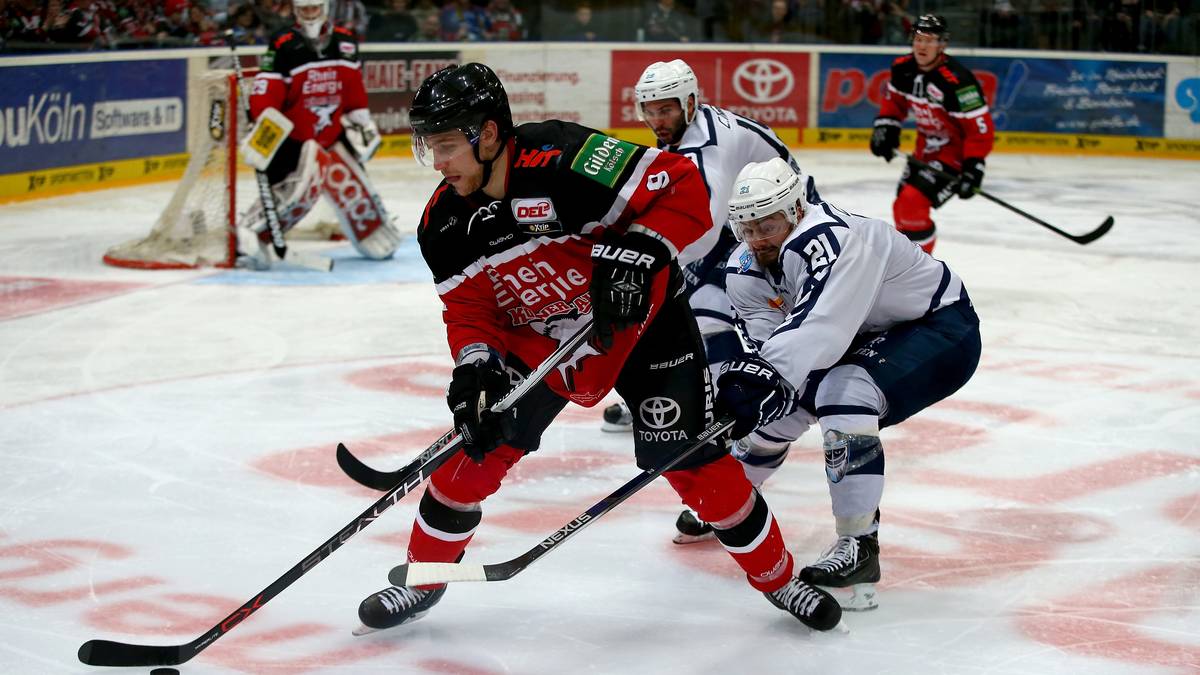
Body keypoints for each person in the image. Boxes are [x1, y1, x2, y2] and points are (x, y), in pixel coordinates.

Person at [353, 62, 843, 635]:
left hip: (644, 328)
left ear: (487, 134)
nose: (437, 164)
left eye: (445, 146)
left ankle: (780, 579)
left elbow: (681, 186)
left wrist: (641, 249)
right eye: (428, 148)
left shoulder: (563, 155)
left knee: (695, 466)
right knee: (470, 460)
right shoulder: (443, 224)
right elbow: (469, 310)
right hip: (543, 343)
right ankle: (424, 576)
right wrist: (476, 370)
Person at [711, 156, 980, 611]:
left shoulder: (830, 238)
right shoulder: (743, 268)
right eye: (748, 228)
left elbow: (823, 329)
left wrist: (757, 381)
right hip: (864, 334)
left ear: (796, 209)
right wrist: (751, 388)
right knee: (781, 406)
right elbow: (769, 342)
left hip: (940, 328)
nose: (757, 239)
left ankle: (860, 545)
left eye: (768, 224)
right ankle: (735, 500)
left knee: (843, 390)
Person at [602, 59, 809, 545]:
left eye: (667, 107)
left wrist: (643, 256)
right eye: (650, 108)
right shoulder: (689, 129)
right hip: (747, 230)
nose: (658, 118)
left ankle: (735, 441)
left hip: (775, 233)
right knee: (689, 317)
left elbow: (703, 223)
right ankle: (685, 400)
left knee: (709, 323)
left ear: (690, 102)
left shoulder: (705, 145)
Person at [239, 0, 402, 267]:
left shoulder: (345, 41)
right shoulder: (283, 42)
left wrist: (361, 121)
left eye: (314, 8)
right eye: (304, 10)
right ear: (295, 10)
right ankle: (251, 233)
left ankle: (370, 223)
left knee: (359, 200)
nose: (309, 15)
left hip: (332, 136)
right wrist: (263, 131)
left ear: (324, 8)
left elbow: (352, 87)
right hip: (296, 143)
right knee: (295, 196)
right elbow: (266, 91)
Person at [870, 14, 994, 254]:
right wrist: (886, 128)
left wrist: (974, 166)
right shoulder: (903, 68)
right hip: (924, 152)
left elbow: (980, 129)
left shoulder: (958, 81)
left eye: (930, 40)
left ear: (942, 45)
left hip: (954, 157)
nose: (922, 46)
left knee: (911, 203)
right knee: (902, 209)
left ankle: (923, 273)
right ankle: (907, 266)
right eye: (918, 39)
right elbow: (894, 104)